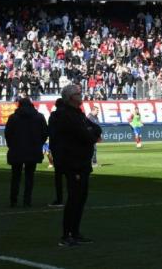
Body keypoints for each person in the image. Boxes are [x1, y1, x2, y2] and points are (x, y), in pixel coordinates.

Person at [49, 84, 101, 246]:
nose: (81, 95)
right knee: (74, 198)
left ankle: (75, 232)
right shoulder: (65, 115)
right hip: (73, 162)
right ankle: (67, 235)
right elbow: (86, 135)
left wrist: (90, 133)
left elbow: (95, 128)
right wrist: (90, 134)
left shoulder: (77, 114)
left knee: (80, 198)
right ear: (71, 97)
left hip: (81, 162)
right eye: (78, 94)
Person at [4, 97, 48, 208]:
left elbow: (8, 134)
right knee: (29, 177)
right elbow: (44, 133)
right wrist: (38, 144)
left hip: (16, 150)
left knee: (15, 177)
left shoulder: (13, 117)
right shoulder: (39, 117)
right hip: (33, 150)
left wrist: (11, 145)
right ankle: (27, 201)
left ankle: (13, 200)